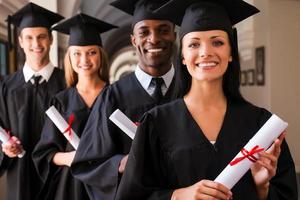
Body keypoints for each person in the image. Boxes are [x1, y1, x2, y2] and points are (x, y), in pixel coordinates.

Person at [115, 0, 298, 199]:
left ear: (230, 53)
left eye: (217, 42)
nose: (206, 52)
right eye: (194, 44)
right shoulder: (156, 123)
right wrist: (178, 195)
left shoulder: (260, 125)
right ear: (183, 56)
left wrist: (262, 189)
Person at [70, 0, 177, 199]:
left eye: (163, 30)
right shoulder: (112, 97)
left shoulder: (190, 90)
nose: (153, 39)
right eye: (144, 32)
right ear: (133, 40)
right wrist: (120, 163)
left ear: (174, 36)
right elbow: (87, 164)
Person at [32, 13, 116, 200]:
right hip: (70, 187)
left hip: (107, 185)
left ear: (101, 55)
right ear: (69, 57)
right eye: (77, 53)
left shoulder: (115, 96)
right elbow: (45, 153)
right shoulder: (60, 101)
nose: (84, 60)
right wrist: (69, 158)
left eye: (91, 52)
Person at [0, 3, 65, 200]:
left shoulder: (68, 83)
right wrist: (5, 149)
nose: (36, 43)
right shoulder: (6, 86)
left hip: (59, 180)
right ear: (20, 41)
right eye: (29, 37)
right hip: (20, 178)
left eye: (42, 36)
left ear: (51, 39)